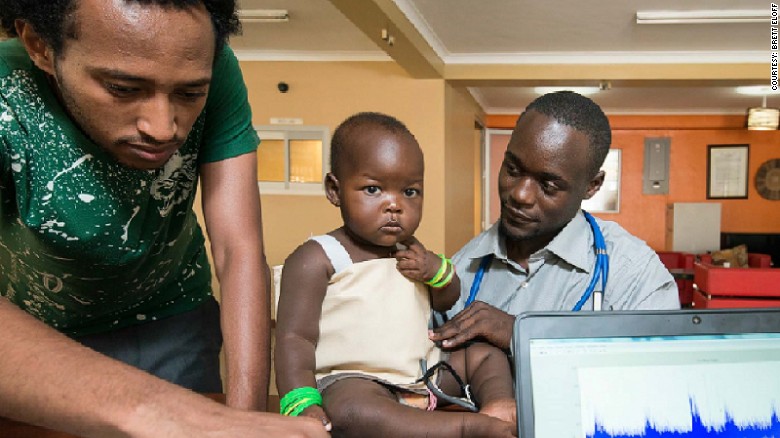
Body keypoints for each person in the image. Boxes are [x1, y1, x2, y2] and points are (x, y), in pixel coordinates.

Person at [0, 0, 325, 436]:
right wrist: (161, 411)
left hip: (171, 318)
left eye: (189, 95)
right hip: (26, 330)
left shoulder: (215, 70)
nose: (163, 127)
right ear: (39, 46)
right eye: (122, 88)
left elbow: (238, 248)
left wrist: (240, 420)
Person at [275, 112, 517, 438]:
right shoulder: (319, 257)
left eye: (410, 192)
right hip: (355, 379)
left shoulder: (410, 249)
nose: (395, 205)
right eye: (373, 189)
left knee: (486, 353)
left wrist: (437, 273)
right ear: (335, 190)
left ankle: (499, 409)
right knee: (350, 410)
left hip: (423, 373)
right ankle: (463, 427)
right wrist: (300, 401)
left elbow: (446, 298)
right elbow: (295, 339)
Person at [430, 91, 680, 353]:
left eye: (548, 185)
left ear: (592, 186)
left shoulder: (635, 274)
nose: (520, 194)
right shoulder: (461, 267)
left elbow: (656, 377)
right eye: (513, 170)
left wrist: (521, 336)